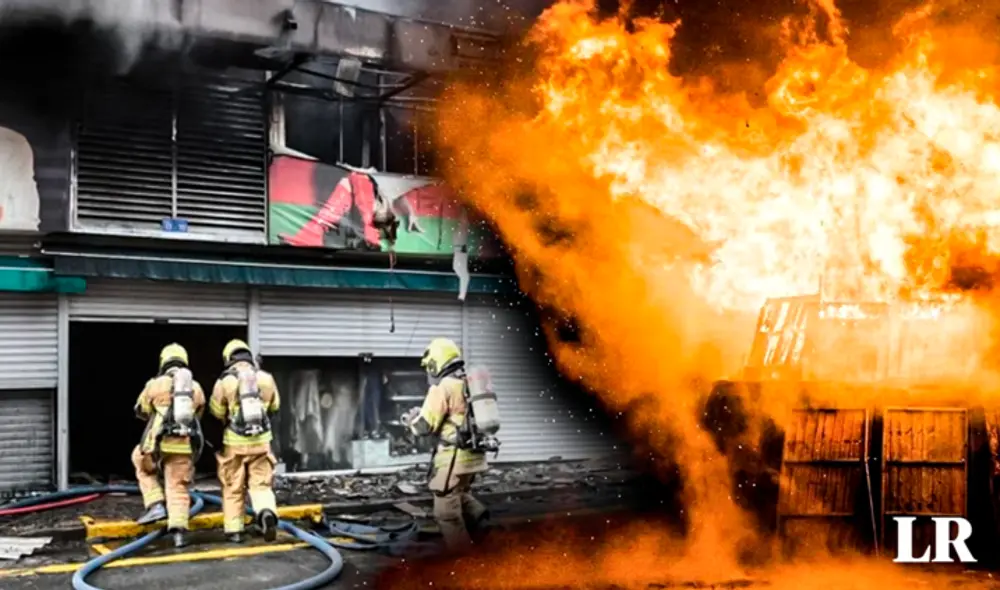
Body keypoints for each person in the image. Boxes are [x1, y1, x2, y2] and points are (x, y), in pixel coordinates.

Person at [403, 337, 489, 551]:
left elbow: (424, 427)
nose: (429, 371)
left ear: (438, 362)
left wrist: (410, 420)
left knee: (446, 511)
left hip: (452, 458)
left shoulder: (443, 388)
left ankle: (465, 562)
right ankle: (482, 525)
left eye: (430, 366)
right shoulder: (467, 383)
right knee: (458, 493)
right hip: (474, 456)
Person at [132, 343, 206, 548]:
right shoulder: (196, 387)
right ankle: (179, 534)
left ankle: (155, 503)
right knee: (178, 486)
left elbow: (142, 409)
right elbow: (199, 413)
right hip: (183, 445)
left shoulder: (154, 384)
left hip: (155, 444)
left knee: (140, 462)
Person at [209, 339, 281, 543]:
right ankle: (266, 513)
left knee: (233, 486)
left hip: (234, 444)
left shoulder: (225, 381)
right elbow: (275, 406)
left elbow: (216, 411)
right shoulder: (266, 378)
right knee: (261, 485)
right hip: (262, 443)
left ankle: (234, 531)